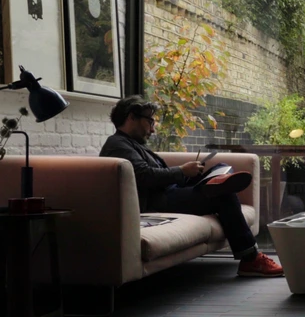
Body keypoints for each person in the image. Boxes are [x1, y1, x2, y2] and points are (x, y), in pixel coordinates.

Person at [100, 95, 283, 277]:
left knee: (220, 168)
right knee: (223, 193)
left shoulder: (131, 144)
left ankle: (214, 181)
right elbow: (144, 176)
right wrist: (181, 171)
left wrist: (189, 174)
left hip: (168, 191)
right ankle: (250, 259)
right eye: (150, 121)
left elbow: (153, 174)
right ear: (132, 117)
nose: (153, 129)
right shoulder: (118, 145)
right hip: (157, 201)